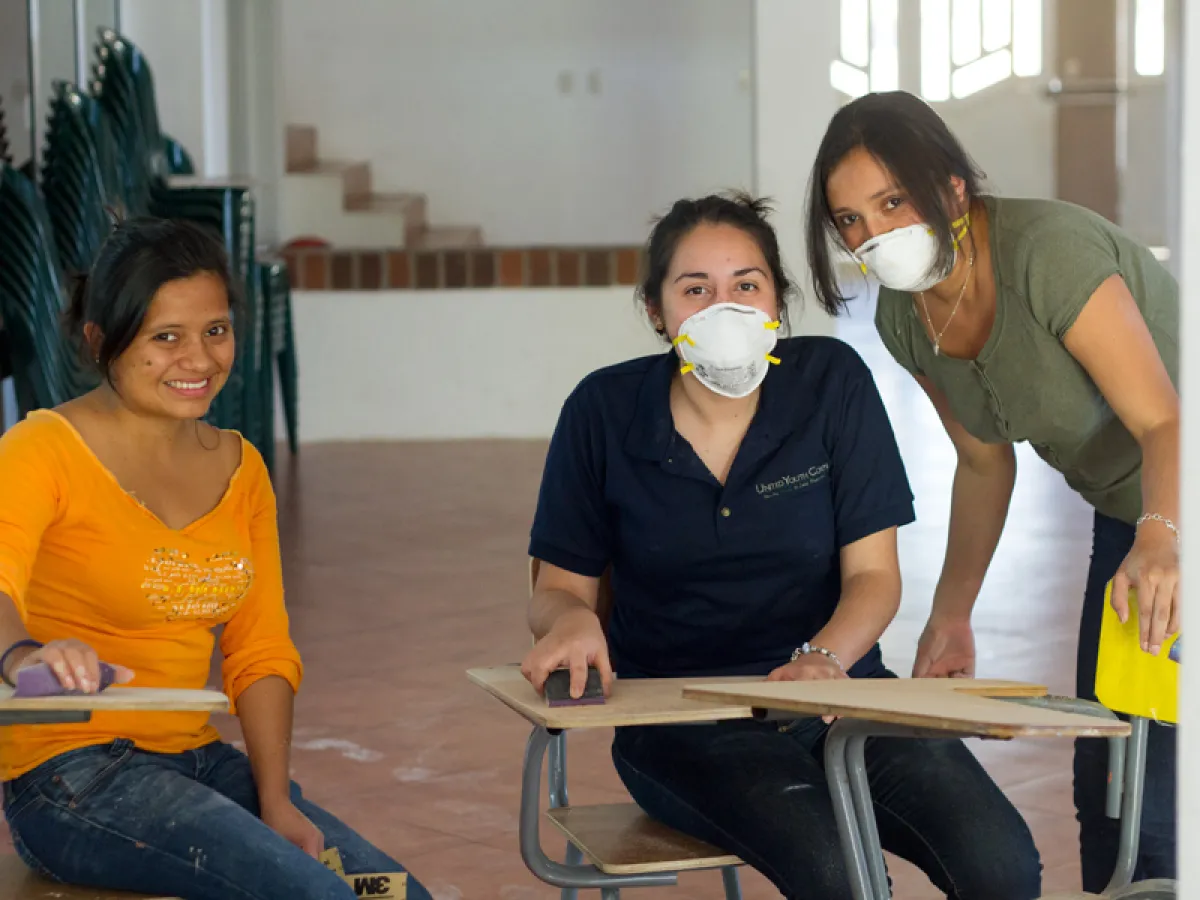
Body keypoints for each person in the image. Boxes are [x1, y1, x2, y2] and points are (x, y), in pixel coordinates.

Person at [520, 192, 1042, 899]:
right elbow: (558, 589)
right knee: (839, 877)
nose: (724, 308)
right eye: (695, 290)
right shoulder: (603, 411)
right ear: (656, 311)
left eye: (746, 285)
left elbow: (874, 577)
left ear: (777, 301)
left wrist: (824, 659)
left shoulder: (830, 383)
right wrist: (572, 621)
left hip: (840, 696)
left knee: (1000, 865)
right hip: (682, 720)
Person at [804, 90, 1178, 891]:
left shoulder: (1048, 253)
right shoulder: (905, 318)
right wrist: (951, 613)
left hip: (1171, 504)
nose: (873, 235)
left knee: (1157, 789)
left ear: (951, 187)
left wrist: (1161, 539)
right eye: (850, 220)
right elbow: (983, 461)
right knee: (1110, 780)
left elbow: (1165, 422)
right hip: (1131, 515)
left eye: (892, 202)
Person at [0, 218, 432, 900]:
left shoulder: (241, 467)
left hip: (198, 761)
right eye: (165, 337)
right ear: (100, 340)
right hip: (72, 777)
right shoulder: (41, 450)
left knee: (396, 894)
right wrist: (23, 654)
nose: (198, 360)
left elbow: (261, 649)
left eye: (215, 330)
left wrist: (275, 799)